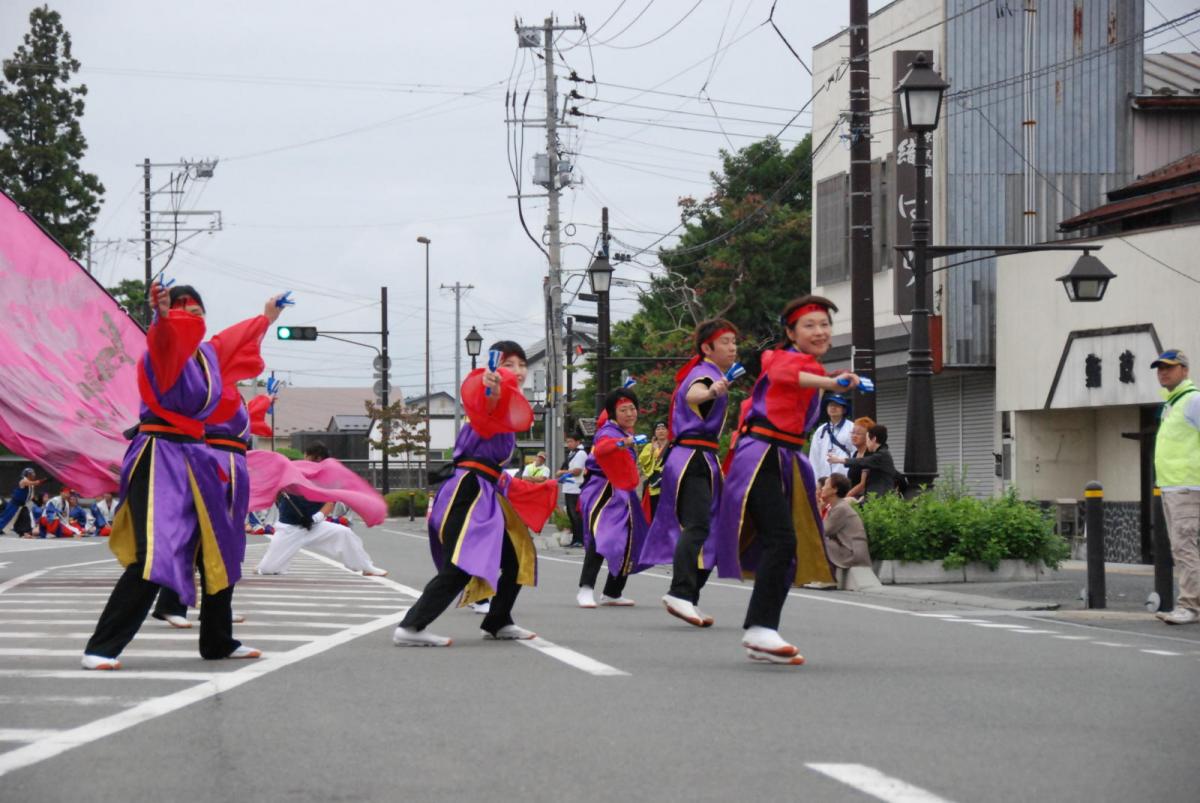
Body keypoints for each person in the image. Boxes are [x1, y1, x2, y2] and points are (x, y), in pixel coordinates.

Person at [80, 282, 281, 670]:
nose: (193, 314)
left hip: (196, 458)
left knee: (221, 552)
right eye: (184, 308)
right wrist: (161, 315)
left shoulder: (207, 357)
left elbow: (233, 339)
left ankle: (218, 641)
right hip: (160, 456)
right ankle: (101, 647)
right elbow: (167, 335)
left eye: (198, 309)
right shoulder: (163, 350)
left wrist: (266, 318)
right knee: (154, 555)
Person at [713, 295, 860, 665]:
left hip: (784, 457)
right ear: (791, 332)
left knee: (783, 542)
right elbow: (786, 376)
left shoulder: (809, 364)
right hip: (761, 455)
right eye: (809, 325)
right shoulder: (777, 358)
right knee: (781, 539)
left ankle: (760, 630)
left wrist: (829, 380)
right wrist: (831, 381)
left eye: (824, 324)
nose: (820, 331)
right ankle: (760, 629)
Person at [393, 341, 543, 647]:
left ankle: (498, 620)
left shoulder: (509, 409)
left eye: (522, 364)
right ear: (495, 369)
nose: (519, 371)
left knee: (516, 556)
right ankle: (411, 626)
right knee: (462, 562)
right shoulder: (491, 403)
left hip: (486, 491)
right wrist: (491, 387)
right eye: (510, 364)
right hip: (469, 491)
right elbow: (485, 398)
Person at [638, 319, 738, 628]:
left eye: (735, 341)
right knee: (696, 526)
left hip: (703, 458)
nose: (733, 347)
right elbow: (693, 395)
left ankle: (688, 597)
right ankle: (680, 593)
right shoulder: (703, 374)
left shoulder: (712, 374)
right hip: (692, 457)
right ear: (707, 347)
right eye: (726, 342)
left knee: (715, 530)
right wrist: (712, 392)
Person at [257, 442, 388, 577]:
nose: (309, 460)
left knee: (344, 533)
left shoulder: (326, 477)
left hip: (314, 526)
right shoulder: (293, 471)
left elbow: (329, 502)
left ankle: (366, 566)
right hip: (289, 528)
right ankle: (265, 566)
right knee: (268, 569)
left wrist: (316, 518)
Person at [576, 388, 648, 608]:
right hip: (602, 491)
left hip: (623, 492)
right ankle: (585, 589)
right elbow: (601, 450)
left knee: (629, 540)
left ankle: (613, 592)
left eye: (632, 409)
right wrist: (622, 443)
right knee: (601, 538)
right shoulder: (608, 432)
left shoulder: (624, 432)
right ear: (613, 413)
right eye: (623, 409)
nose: (629, 413)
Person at [1150, 350, 1200, 625]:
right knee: (1182, 548)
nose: (1163, 372)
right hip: (1172, 487)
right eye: (1159, 368)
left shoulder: (1192, 401)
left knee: (1185, 547)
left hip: (1188, 486)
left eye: (1169, 367)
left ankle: (1190, 607)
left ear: (1184, 370)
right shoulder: (1173, 403)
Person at [818, 473, 872, 575]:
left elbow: (822, 531)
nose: (822, 488)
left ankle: (826, 578)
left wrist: (819, 511)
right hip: (848, 549)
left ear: (835, 489)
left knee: (815, 542)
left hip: (851, 553)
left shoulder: (840, 508)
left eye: (825, 485)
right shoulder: (837, 506)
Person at [830, 424, 899, 498]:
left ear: (874, 439)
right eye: (853, 433)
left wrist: (839, 460)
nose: (866, 443)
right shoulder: (880, 453)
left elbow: (862, 461)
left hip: (879, 498)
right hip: (873, 497)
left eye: (867, 439)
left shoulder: (881, 455)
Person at [810, 394, 853, 481]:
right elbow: (814, 457)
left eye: (837, 405)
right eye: (830, 405)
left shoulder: (852, 428)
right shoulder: (820, 431)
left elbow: (856, 453)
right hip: (824, 480)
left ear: (844, 410)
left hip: (845, 478)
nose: (833, 408)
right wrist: (814, 481)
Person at [557, 434, 587, 547]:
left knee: (576, 515)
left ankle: (580, 539)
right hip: (569, 487)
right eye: (567, 442)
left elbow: (577, 471)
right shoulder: (571, 453)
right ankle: (575, 539)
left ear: (578, 442)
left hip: (576, 488)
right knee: (571, 515)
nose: (568, 444)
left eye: (570, 441)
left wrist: (562, 472)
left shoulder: (581, 453)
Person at [638, 421, 670, 518]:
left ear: (668, 431)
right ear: (655, 433)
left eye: (663, 429)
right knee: (654, 512)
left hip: (669, 481)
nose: (661, 431)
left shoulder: (672, 445)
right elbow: (642, 461)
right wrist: (652, 450)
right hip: (654, 482)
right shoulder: (649, 446)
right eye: (658, 429)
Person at [0, 468, 42, 535]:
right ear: (27, 474)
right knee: (6, 517)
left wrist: (36, 501)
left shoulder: (31, 485)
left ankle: (21, 530)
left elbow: (31, 495)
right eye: (31, 474)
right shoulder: (23, 481)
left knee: (24, 518)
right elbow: (26, 483)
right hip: (14, 503)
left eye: (33, 473)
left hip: (22, 505)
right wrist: (35, 482)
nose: (33, 475)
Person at [843, 417, 875, 500]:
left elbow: (862, 484)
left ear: (868, 436)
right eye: (853, 433)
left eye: (858, 434)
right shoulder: (855, 454)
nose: (854, 436)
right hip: (853, 495)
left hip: (866, 497)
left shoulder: (869, 454)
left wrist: (846, 496)